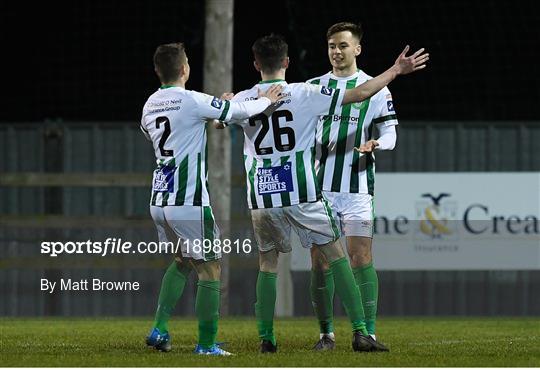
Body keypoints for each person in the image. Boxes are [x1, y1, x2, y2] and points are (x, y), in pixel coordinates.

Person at [218, 34, 428, 353]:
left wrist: (227, 102)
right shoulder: (306, 92)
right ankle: (360, 332)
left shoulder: (245, 98)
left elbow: (219, 121)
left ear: (256, 63)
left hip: (263, 194)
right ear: (287, 62)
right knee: (336, 256)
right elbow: (361, 92)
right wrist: (395, 70)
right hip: (303, 189)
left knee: (267, 264)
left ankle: (267, 340)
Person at [140, 42, 283, 356]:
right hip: (188, 200)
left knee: (181, 261)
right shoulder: (192, 100)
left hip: (160, 199)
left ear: (157, 71)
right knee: (211, 269)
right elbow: (237, 112)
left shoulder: (150, 104)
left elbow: (154, 132)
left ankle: (159, 329)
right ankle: (206, 344)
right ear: (184, 69)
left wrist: (217, 108)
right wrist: (265, 100)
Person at [307, 21, 399, 352]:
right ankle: (326, 334)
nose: (336, 51)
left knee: (361, 258)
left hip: (358, 189)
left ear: (357, 49)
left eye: (343, 45)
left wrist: (378, 144)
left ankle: (367, 334)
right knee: (320, 262)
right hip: (321, 193)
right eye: (332, 45)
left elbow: (391, 132)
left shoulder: (375, 88)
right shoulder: (314, 87)